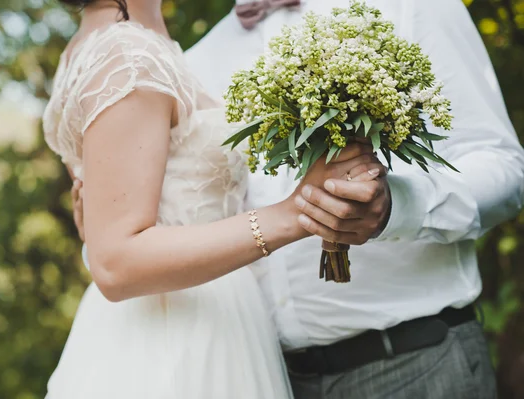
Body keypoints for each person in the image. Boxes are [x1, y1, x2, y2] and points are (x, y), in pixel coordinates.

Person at [69, 0, 524, 398]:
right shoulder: (195, 59)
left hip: (415, 363)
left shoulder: (408, 5)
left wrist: (398, 208)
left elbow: (502, 166)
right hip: (260, 372)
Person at [43, 0, 385, 398]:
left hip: (167, 320)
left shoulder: (93, 46)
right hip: (179, 341)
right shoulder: (128, 55)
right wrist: (295, 214)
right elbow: (116, 260)